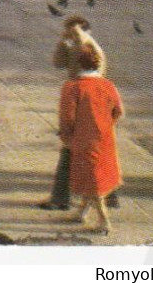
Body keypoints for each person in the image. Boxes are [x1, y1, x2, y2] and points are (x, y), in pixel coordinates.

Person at [40, 17, 110, 211]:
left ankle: (61, 199)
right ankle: (108, 197)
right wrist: (62, 43)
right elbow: (58, 63)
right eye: (68, 31)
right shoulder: (75, 46)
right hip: (81, 101)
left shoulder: (92, 50)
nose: (72, 35)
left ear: (86, 31)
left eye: (75, 31)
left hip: (88, 105)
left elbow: (93, 78)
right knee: (89, 154)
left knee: (72, 152)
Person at [58, 47, 124, 236]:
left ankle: (104, 220)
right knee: (98, 175)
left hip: (83, 139)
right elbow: (118, 111)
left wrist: (67, 136)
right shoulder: (108, 85)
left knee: (93, 179)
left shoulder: (72, 87)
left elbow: (67, 117)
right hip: (105, 138)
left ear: (79, 64)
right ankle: (82, 212)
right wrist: (106, 125)